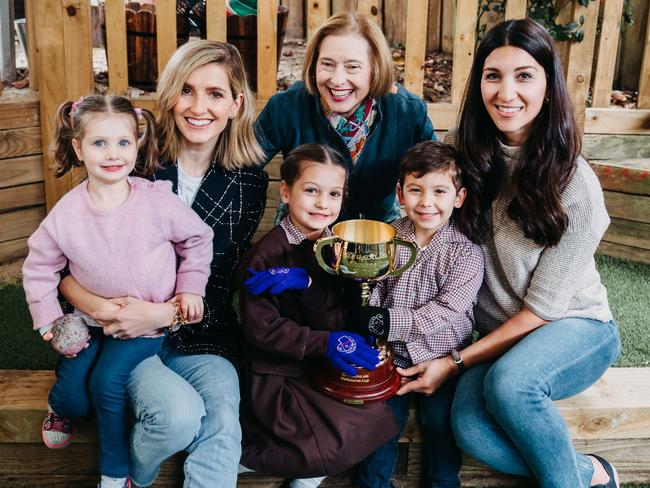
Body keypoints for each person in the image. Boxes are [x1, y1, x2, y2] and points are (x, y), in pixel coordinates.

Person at [396, 19, 622, 488]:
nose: (506, 92)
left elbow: (542, 309)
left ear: (548, 84)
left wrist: (455, 362)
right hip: (503, 334)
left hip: (575, 325)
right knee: (471, 430)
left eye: (524, 75)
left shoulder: (576, 185)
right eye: (493, 75)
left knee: (512, 386)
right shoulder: (465, 159)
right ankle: (592, 474)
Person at [57, 41, 268, 488]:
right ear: (169, 96)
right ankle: (132, 476)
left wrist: (164, 313)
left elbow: (217, 279)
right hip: (122, 332)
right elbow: (65, 271)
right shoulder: (128, 159)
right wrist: (109, 312)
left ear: (236, 104)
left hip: (202, 329)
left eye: (215, 94)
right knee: (176, 418)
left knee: (223, 420)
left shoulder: (249, 181)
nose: (198, 106)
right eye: (186, 90)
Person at [22, 95, 214, 488]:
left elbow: (197, 240)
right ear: (78, 148)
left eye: (123, 143)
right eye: (99, 143)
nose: (113, 154)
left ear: (138, 143)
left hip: (143, 327)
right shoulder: (67, 213)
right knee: (74, 395)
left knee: (106, 384)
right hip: (87, 323)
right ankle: (58, 408)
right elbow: (40, 267)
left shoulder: (157, 202)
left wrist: (190, 288)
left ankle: (115, 475)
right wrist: (48, 321)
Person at [238, 143, 399, 488]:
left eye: (334, 194)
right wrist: (326, 342)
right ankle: (286, 473)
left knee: (376, 415)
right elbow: (263, 331)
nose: (323, 204)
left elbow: (337, 315)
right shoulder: (266, 256)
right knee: (330, 438)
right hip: (280, 373)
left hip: (317, 363)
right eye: (311, 191)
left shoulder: (336, 246)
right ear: (285, 192)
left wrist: (314, 283)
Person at [352, 141, 484, 488]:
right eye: (416, 190)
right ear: (400, 193)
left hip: (443, 361)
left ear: (459, 197)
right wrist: (368, 309)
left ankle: (443, 482)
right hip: (391, 360)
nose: (426, 202)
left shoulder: (465, 254)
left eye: (439, 191)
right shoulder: (389, 238)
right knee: (379, 427)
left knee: (441, 425)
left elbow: (447, 310)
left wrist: (388, 321)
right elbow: (375, 285)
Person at [256, 11, 435, 223]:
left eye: (352, 67)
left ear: (375, 69)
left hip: (377, 230)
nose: (337, 79)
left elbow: (439, 174)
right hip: (301, 232)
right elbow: (242, 166)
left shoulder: (407, 111)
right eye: (327, 64)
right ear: (314, 66)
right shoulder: (287, 106)